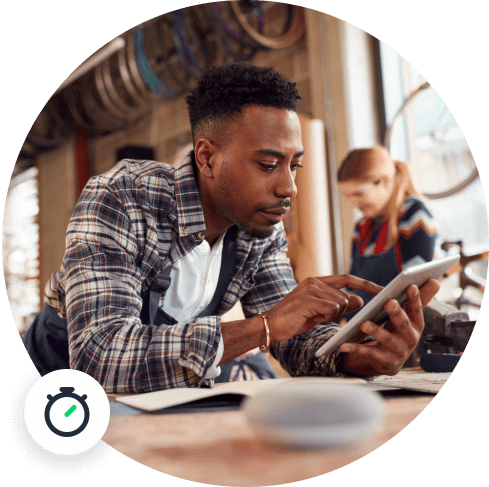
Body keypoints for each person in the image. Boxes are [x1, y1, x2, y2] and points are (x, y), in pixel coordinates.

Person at [22, 64, 440, 393]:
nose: (289, 187)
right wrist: (263, 328)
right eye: (267, 165)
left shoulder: (261, 226)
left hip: (159, 388)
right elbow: (100, 359)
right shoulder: (121, 197)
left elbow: (292, 341)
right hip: (56, 381)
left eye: (295, 165)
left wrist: (356, 354)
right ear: (206, 158)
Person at [338, 145, 438, 321]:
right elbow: (351, 284)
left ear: (384, 181)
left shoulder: (414, 214)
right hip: (364, 323)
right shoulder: (360, 227)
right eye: (348, 196)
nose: (353, 203)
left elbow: (415, 287)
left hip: (401, 322)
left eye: (359, 193)